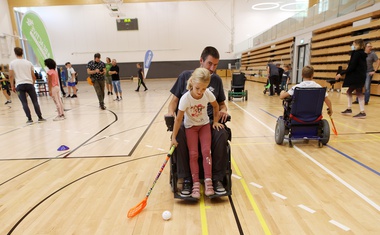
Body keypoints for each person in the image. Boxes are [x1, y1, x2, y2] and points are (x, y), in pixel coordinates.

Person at [166, 46, 230, 197]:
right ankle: (187, 179)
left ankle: (216, 179)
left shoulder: (216, 80)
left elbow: (221, 104)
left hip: (207, 121)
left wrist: (224, 111)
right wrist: (170, 113)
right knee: (180, 133)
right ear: (201, 61)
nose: (213, 68)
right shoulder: (185, 77)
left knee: (221, 133)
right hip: (189, 121)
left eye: (215, 65)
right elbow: (173, 102)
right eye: (210, 64)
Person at [9, 47, 46, 123]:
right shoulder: (29, 63)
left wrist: (12, 85)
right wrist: (32, 84)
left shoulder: (12, 63)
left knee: (24, 102)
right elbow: (33, 76)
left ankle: (29, 119)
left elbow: (11, 76)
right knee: (35, 101)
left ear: (15, 53)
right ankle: (40, 117)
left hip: (19, 85)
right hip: (29, 84)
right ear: (22, 53)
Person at [336, 39, 367, 118]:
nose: (352, 46)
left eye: (353, 44)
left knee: (359, 92)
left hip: (357, 76)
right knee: (349, 91)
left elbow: (352, 66)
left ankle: (362, 112)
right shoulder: (363, 54)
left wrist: (341, 73)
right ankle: (349, 108)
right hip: (360, 75)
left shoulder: (357, 54)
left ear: (357, 44)